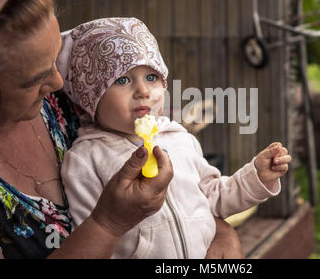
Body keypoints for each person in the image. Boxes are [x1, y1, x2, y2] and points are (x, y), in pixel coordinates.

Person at [0, 0, 244, 259]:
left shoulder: (71, 99)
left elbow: (186, 204)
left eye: (55, 60)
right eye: (34, 80)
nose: (57, 80)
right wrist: (108, 224)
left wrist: (222, 234)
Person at [57, 17, 292, 258]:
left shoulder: (180, 139)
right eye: (122, 80)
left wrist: (255, 177)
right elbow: (93, 241)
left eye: (151, 77)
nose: (143, 91)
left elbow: (213, 198)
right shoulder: (85, 160)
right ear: (90, 95)